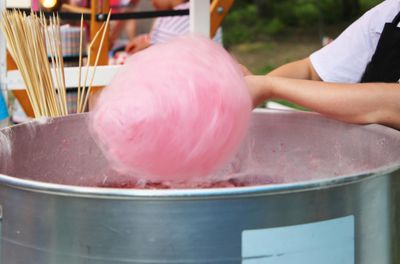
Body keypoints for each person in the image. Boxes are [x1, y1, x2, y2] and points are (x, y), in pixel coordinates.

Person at [244, 0, 400, 130]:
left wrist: (269, 86)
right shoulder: (390, 12)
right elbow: (312, 71)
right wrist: (246, 89)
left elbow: (392, 104)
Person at [125, 0, 223, 54]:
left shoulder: (190, 12)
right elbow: (159, 38)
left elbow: (170, 47)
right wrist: (143, 41)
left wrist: (147, 45)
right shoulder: (172, 13)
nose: (151, 2)